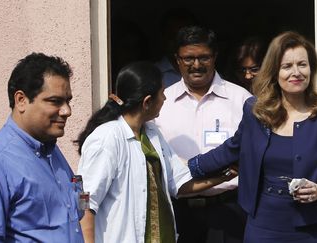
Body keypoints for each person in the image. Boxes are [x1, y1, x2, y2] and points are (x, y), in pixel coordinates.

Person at [188, 31, 317, 243]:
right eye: (287, 66)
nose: (296, 72)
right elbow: (231, 149)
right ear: (274, 71)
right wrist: (188, 169)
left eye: (302, 64)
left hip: (314, 228)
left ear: (311, 69)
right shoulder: (256, 111)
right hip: (263, 226)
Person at [75, 61, 236, 243]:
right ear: (147, 102)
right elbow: (86, 202)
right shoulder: (108, 138)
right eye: (162, 93)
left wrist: (225, 175)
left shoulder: (151, 133)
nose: (165, 99)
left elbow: (178, 183)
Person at [0, 53, 84, 242]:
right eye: (55, 101)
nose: (67, 111)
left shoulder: (52, 153)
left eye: (68, 101)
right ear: (21, 100)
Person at [154, 26, 252, 243]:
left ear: (215, 57)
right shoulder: (161, 103)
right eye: (189, 58)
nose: (196, 65)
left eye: (203, 57)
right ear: (177, 60)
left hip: (228, 211)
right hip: (177, 212)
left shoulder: (241, 100)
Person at [155, 8, 198, 88]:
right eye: (172, 36)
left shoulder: (212, 78)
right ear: (163, 38)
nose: (179, 43)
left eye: (185, 38)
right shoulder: (151, 75)